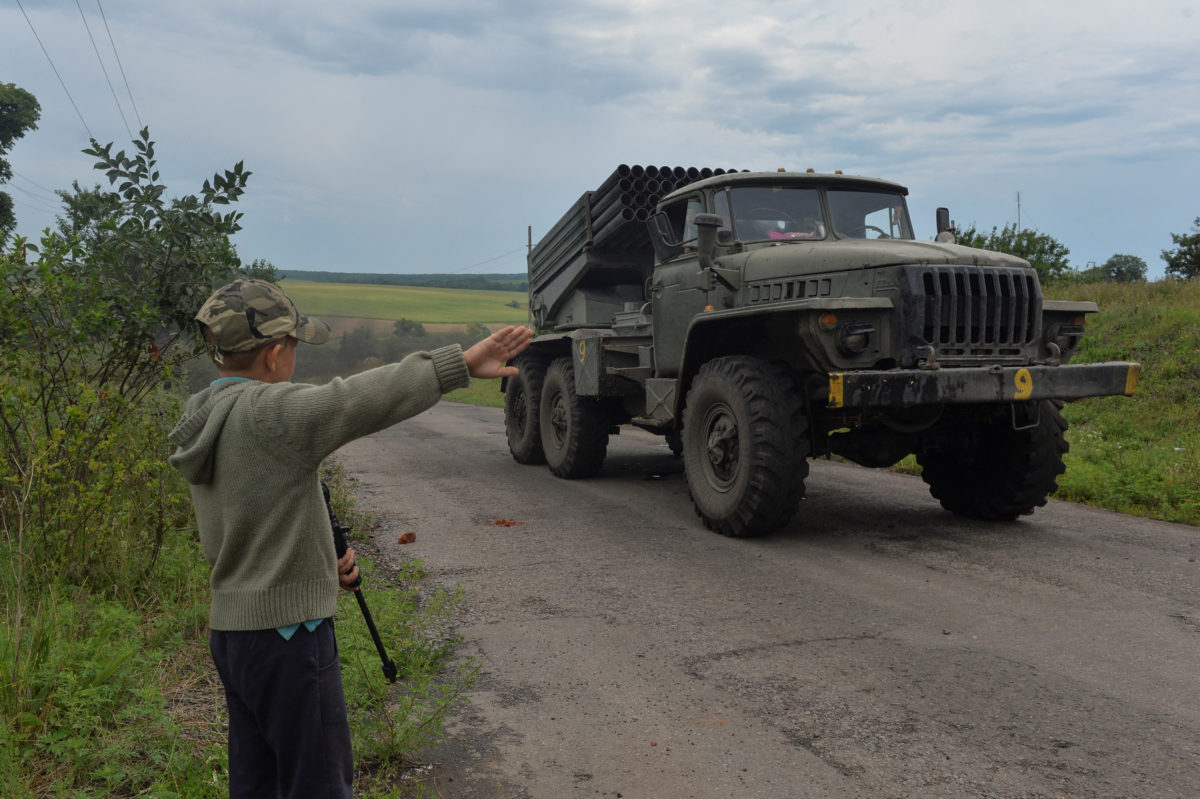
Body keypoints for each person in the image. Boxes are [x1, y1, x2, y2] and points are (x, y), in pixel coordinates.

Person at [167, 278, 532, 798]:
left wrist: (318, 558)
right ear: (273, 355)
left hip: (235, 635)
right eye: (293, 347)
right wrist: (457, 365)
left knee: (258, 782)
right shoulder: (270, 414)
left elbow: (254, 516)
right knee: (318, 785)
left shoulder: (203, 415)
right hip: (290, 636)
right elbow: (356, 400)